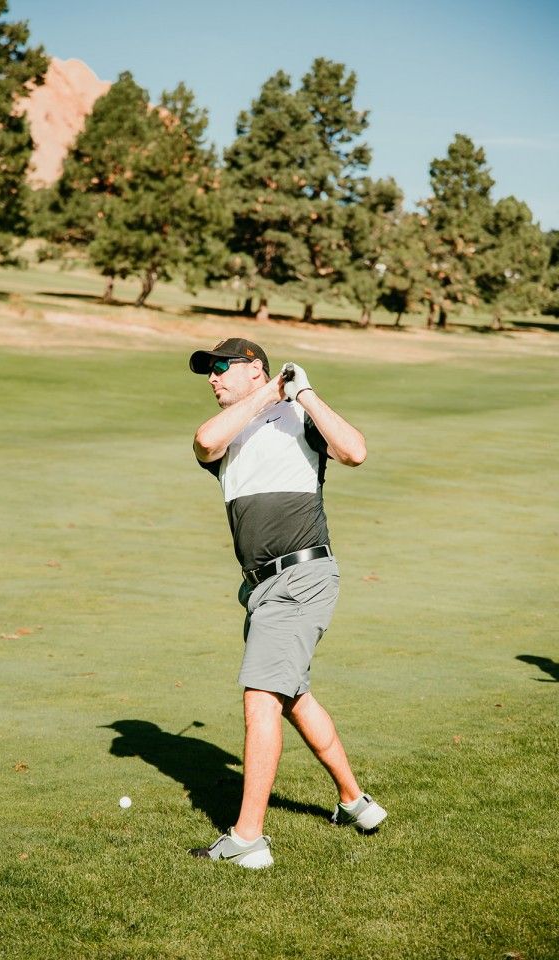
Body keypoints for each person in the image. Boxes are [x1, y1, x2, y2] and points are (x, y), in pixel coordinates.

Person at [188, 337, 386, 868]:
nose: (213, 378)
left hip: (303, 577)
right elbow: (205, 441)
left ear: (255, 369)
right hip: (261, 588)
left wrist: (305, 394)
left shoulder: (302, 420)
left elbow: (355, 451)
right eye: (210, 371)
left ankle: (248, 839)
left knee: (260, 698)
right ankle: (355, 803)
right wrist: (268, 393)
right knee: (292, 695)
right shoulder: (228, 434)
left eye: (223, 368)